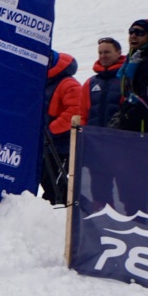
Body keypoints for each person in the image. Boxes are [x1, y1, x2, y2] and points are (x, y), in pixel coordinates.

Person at [41, 52, 87, 203]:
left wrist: (51, 129)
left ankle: (68, 211)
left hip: (63, 145)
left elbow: (75, 111)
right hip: (48, 143)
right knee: (47, 178)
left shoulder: (68, 83)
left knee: (56, 181)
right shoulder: (45, 82)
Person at [112, 19, 148, 132]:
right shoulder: (134, 58)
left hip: (143, 123)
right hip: (131, 117)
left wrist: (128, 116)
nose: (133, 36)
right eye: (131, 32)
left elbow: (147, 96)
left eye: (139, 33)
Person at [84, 36, 125, 129]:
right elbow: (83, 113)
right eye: (100, 53)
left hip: (120, 138)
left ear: (118, 53)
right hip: (94, 138)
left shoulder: (126, 79)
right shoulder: (90, 82)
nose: (103, 56)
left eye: (107, 52)